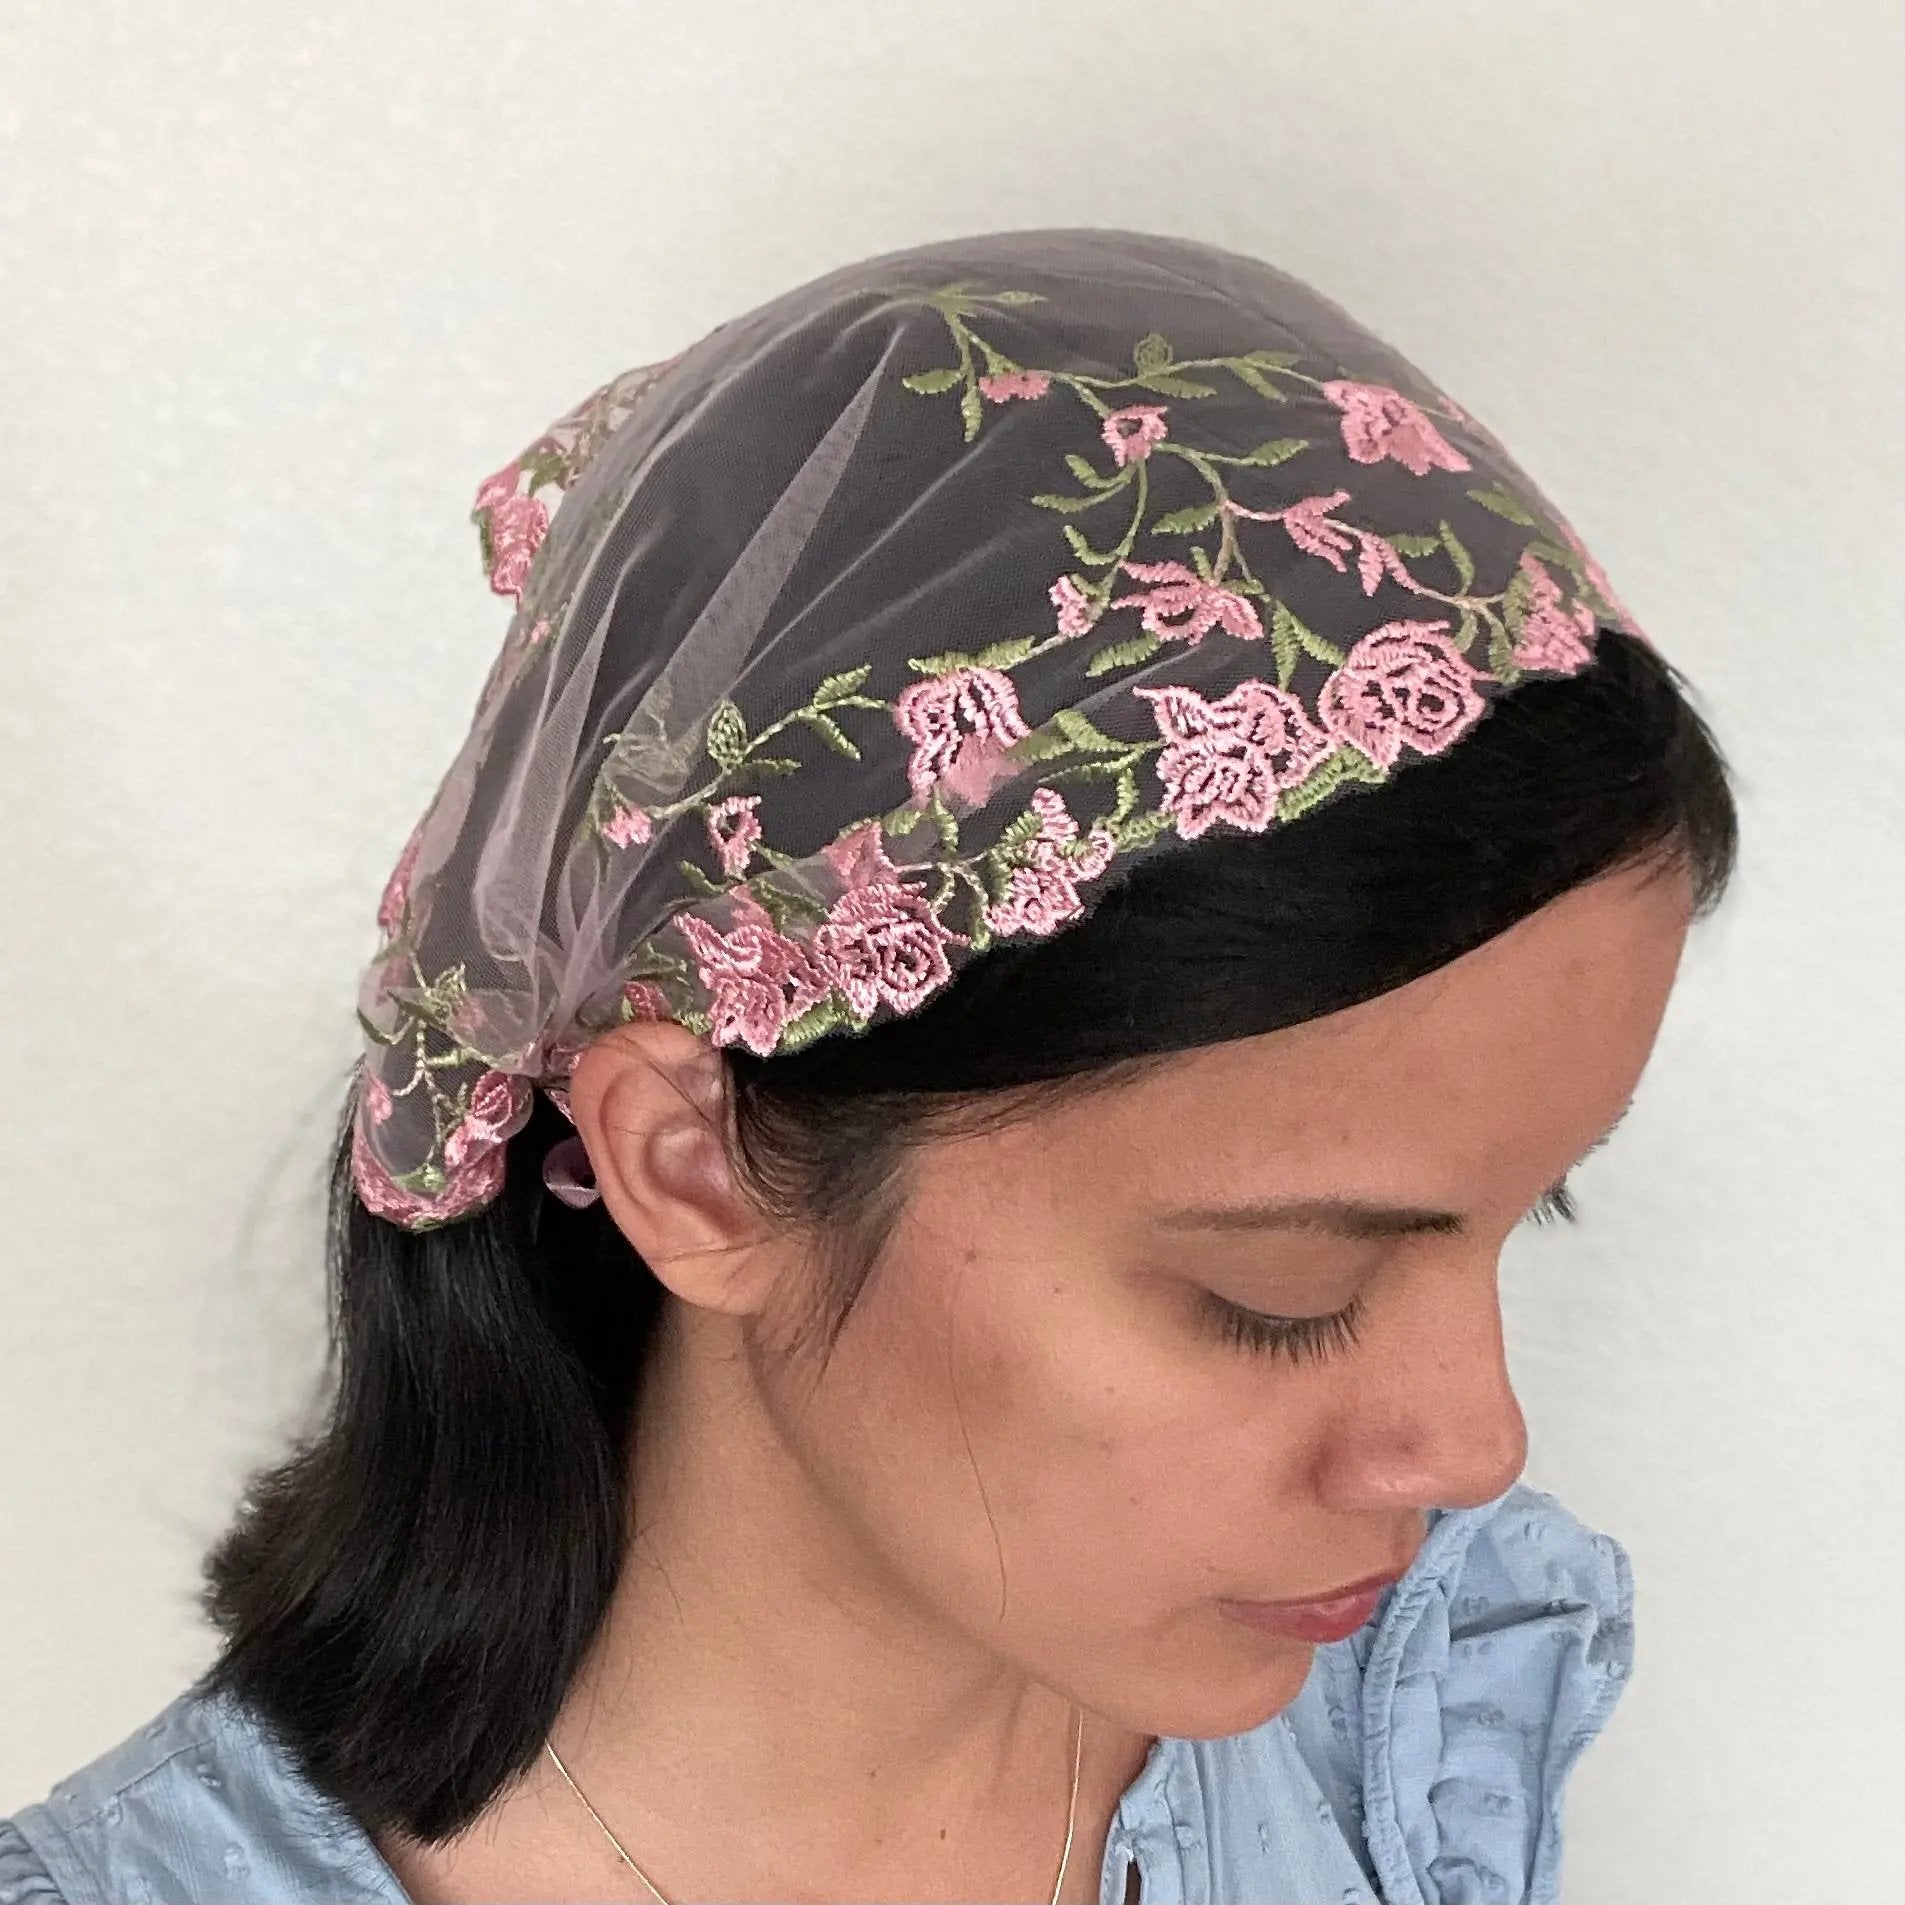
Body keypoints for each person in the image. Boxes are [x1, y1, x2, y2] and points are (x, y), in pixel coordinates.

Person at [1, 227, 1738, 1904]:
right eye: (1276, 1290)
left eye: (1528, 1210)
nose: (1472, 1443)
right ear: (693, 1159)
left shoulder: (1406, 1740)